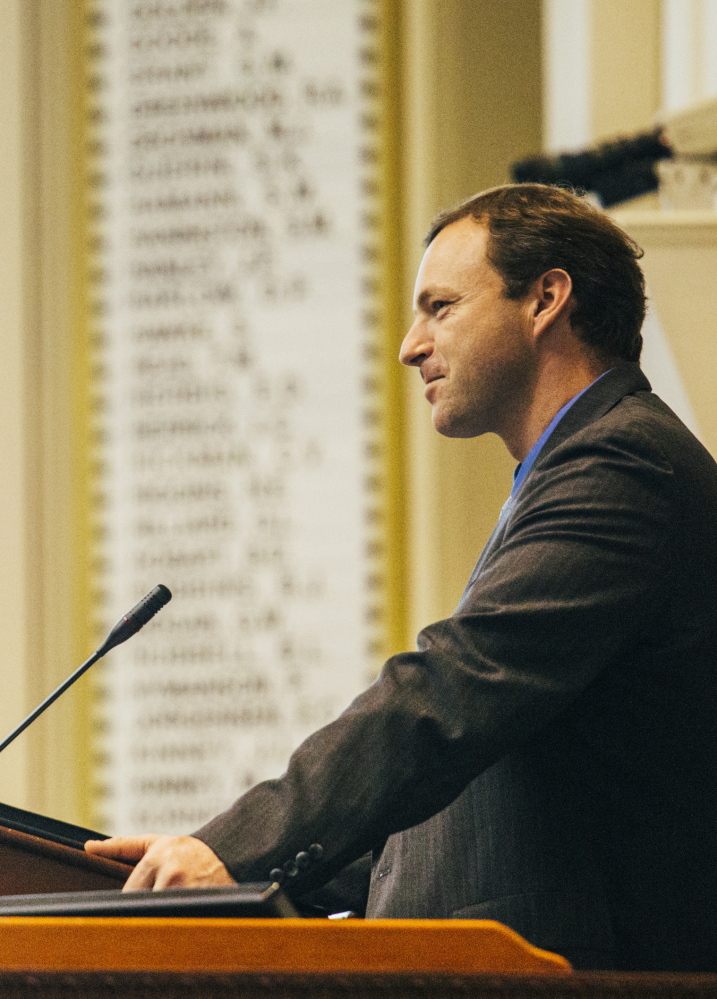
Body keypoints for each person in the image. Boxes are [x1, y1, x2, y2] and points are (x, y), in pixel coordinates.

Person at [87, 184, 717, 972]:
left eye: (440, 306)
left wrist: (235, 849)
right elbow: (492, 770)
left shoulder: (623, 465)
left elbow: (453, 690)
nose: (409, 345)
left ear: (545, 299)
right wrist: (233, 876)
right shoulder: (576, 467)